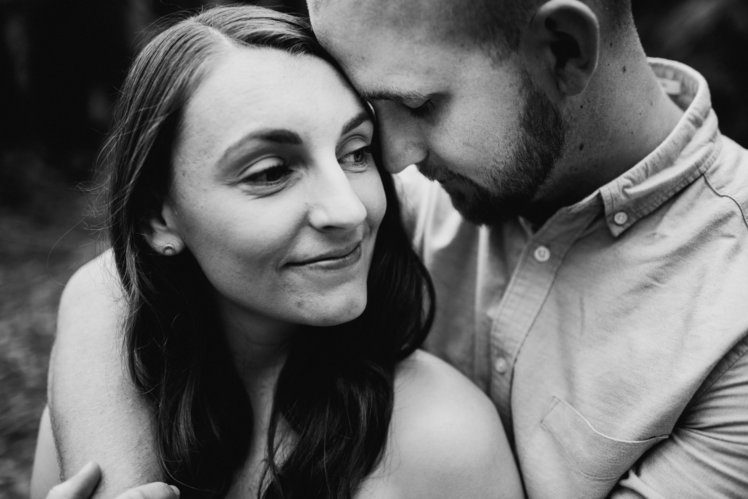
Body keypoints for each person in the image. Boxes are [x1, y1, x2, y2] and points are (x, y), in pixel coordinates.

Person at [42, 0, 748, 497]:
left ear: (561, 52)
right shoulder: (393, 194)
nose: (392, 156)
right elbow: (125, 278)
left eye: (414, 104)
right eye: (366, 118)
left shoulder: (732, 308)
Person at [31, 6, 522, 499]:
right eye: (270, 172)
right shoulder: (96, 413)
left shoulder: (443, 442)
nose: (348, 211)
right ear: (157, 219)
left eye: (355, 152)